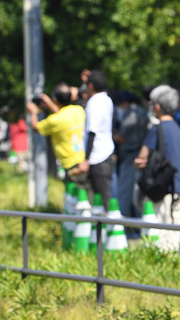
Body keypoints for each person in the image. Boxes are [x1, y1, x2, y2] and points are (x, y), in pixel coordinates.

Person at [134, 85, 180, 250]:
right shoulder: (178, 128)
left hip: (163, 188)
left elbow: (141, 158)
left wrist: (138, 163)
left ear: (157, 107)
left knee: (162, 235)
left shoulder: (156, 129)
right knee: (175, 232)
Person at [26, 83, 86, 189]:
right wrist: (50, 103)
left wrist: (33, 112)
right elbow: (62, 114)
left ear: (55, 99)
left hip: (69, 163)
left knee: (74, 197)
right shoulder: (78, 110)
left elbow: (36, 127)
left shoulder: (54, 120)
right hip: (83, 159)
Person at [73, 69, 115, 204]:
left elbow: (92, 132)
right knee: (104, 197)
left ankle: (106, 225)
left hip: (97, 156)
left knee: (101, 199)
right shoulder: (106, 99)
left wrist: (86, 158)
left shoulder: (94, 103)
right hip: (106, 152)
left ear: (90, 86)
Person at [112, 90, 149, 225]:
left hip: (129, 156)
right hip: (141, 155)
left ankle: (125, 225)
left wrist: (112, 135)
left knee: (125, 193)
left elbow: (121, 137)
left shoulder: (130, 114)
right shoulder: (144, 112)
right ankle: (138, 224)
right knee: (137, 193)